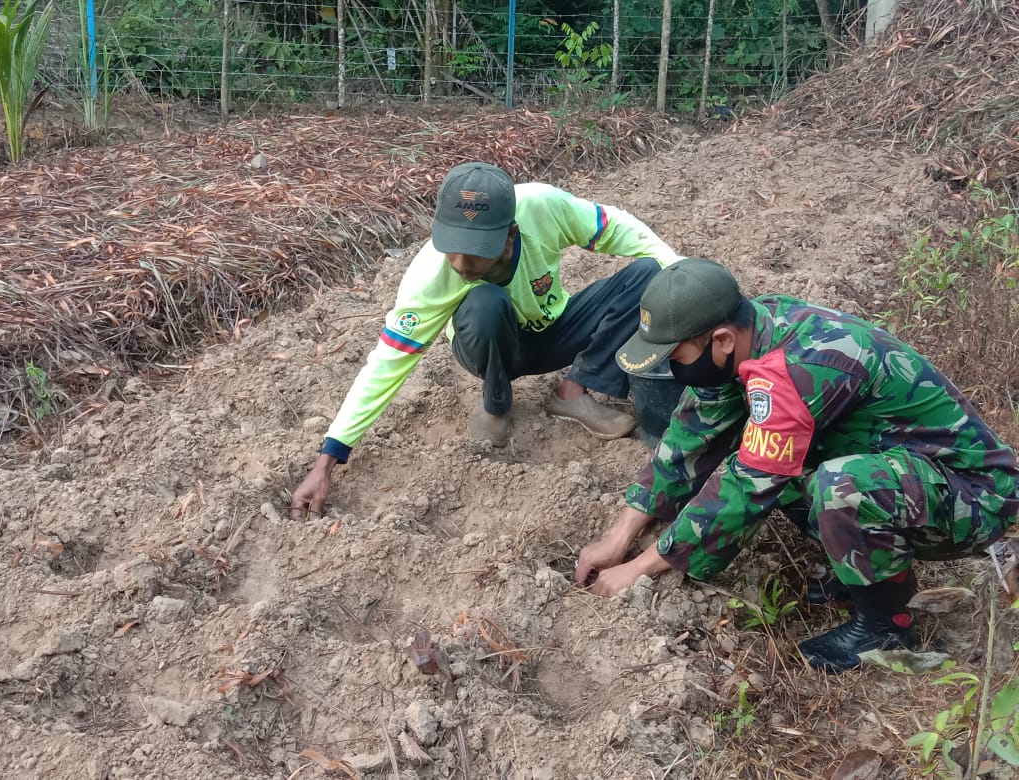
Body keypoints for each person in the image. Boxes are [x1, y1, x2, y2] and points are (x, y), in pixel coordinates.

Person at [574, 257, 1019, 674]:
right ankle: (862, 572)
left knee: (835, 484)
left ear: (722, 339)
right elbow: (689, 437)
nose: (673, 368)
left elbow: (746, 485)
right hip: (910, 473)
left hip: (974, 496)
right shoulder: (751, 330)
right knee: (786, 466)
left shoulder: (797, 369)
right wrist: (618, 538)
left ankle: (888, 625)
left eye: (675, 356)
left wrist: (638, 569)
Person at [290, 162, 683, 518]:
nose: (461, 265)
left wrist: (685, 275)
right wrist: (328, 459)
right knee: (484, 301)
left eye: (476, 253)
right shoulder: (429, 278)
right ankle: (496, 403)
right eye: (452, 249)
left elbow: (616, 226)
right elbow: (386, 364)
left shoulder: (543, 207)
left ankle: (572, 390)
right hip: (489, 346)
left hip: (554, 330)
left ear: (511, 233)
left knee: (647, 273)